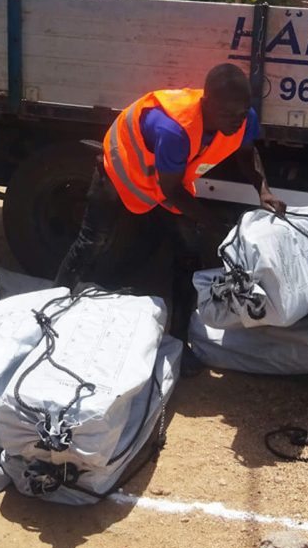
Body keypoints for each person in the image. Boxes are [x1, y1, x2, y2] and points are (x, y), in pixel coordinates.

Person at [54, 63, 286, 373]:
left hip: (166, 184)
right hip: (121, 174)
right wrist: (212, 224)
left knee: (188, 254)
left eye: (242, 113)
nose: (237, 121)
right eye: (228, 114)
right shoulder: (175, 129)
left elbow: (246, 153)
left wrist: (264, 190)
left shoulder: (242, 119)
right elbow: (171, 192)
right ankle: (53, 306)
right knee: (93, 240)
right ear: (207, 104)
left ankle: (178, 343)